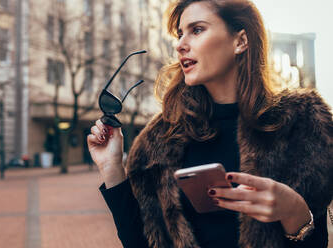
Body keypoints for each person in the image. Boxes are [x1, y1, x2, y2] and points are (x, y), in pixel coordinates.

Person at [87, 0, 333, 247]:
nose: (180, 44)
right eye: (180, 34)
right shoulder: (159, 141)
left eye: (197, 30)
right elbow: (140, 243)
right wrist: (112, 169)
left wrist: (293, 211)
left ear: (240, 41)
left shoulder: (301, 125)